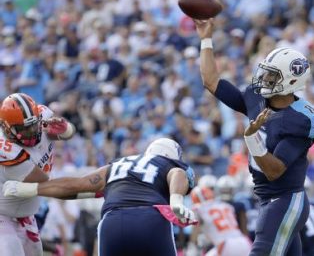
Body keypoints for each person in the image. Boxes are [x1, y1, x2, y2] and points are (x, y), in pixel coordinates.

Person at [194, 18, 314, 256]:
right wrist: (205, 39)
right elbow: (211, 81)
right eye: (265, 73)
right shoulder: (256, 98)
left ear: (291, 81)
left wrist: (252, 139)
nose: (264, 80)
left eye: (272, 76)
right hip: (267, 199)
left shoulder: (300, 120)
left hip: (285, 200)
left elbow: (274, 170)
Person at [3, 138, 196, 256]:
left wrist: (29, 189)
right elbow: (176, 174)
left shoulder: (118, 165)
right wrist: (176, 200)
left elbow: (76, 185)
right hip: (150, 219)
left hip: (112, 223)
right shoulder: (169, 165)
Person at [0, 93, 76, 256]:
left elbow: (69, 133)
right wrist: (81, 188)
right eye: (24, 128)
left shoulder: (42, 116)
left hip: (27, 214)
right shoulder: (7, 150)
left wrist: (65, 129)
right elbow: (44, 182)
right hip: (3, 214)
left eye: (34, 125)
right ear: (7, 127)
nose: (32, 131)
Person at [189, 185, 252, 256]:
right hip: (244, 241)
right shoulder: (226, 205)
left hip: (226, 245)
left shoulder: (199, 208)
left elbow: (195, 231)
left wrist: (192, 245)